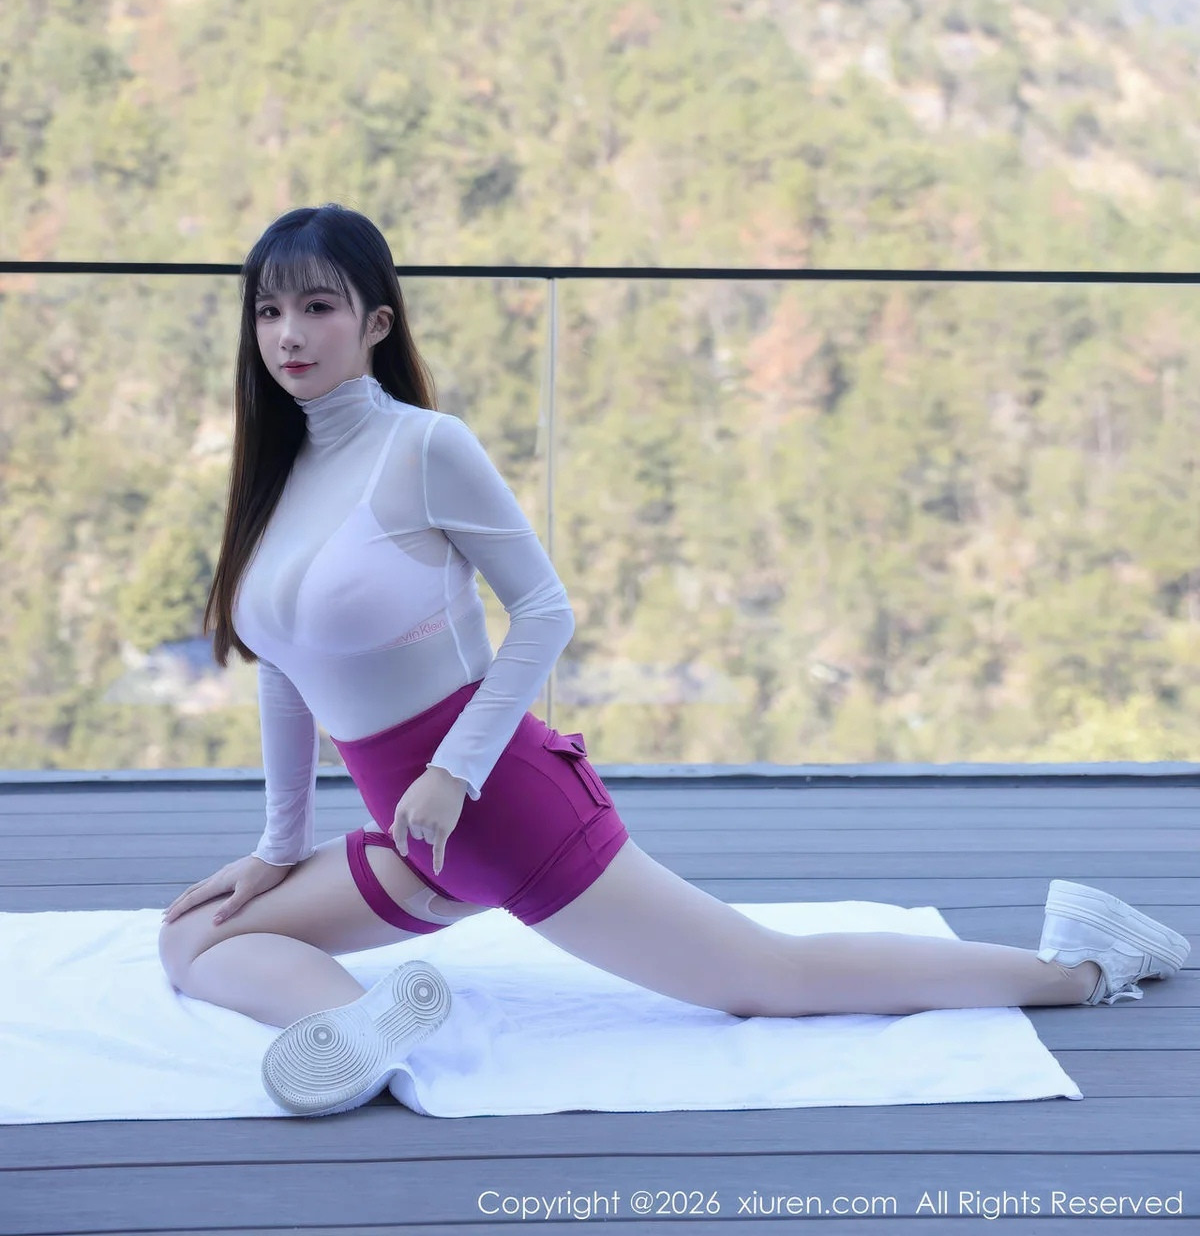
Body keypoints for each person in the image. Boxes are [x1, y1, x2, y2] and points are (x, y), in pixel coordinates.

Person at [158, 203, 1190, 1118]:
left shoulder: (426, 447)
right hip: (414, 839)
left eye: (319, 308)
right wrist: (277, 846)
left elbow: (545, 612)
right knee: (196, 937)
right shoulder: (281, 472)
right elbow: (283, 666)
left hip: (500, 809)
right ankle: (367, 1027)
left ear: (377, 323)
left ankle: (1082, 969)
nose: (289, 335)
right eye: (269, 311)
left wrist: (452, 771)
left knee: (769, 979)